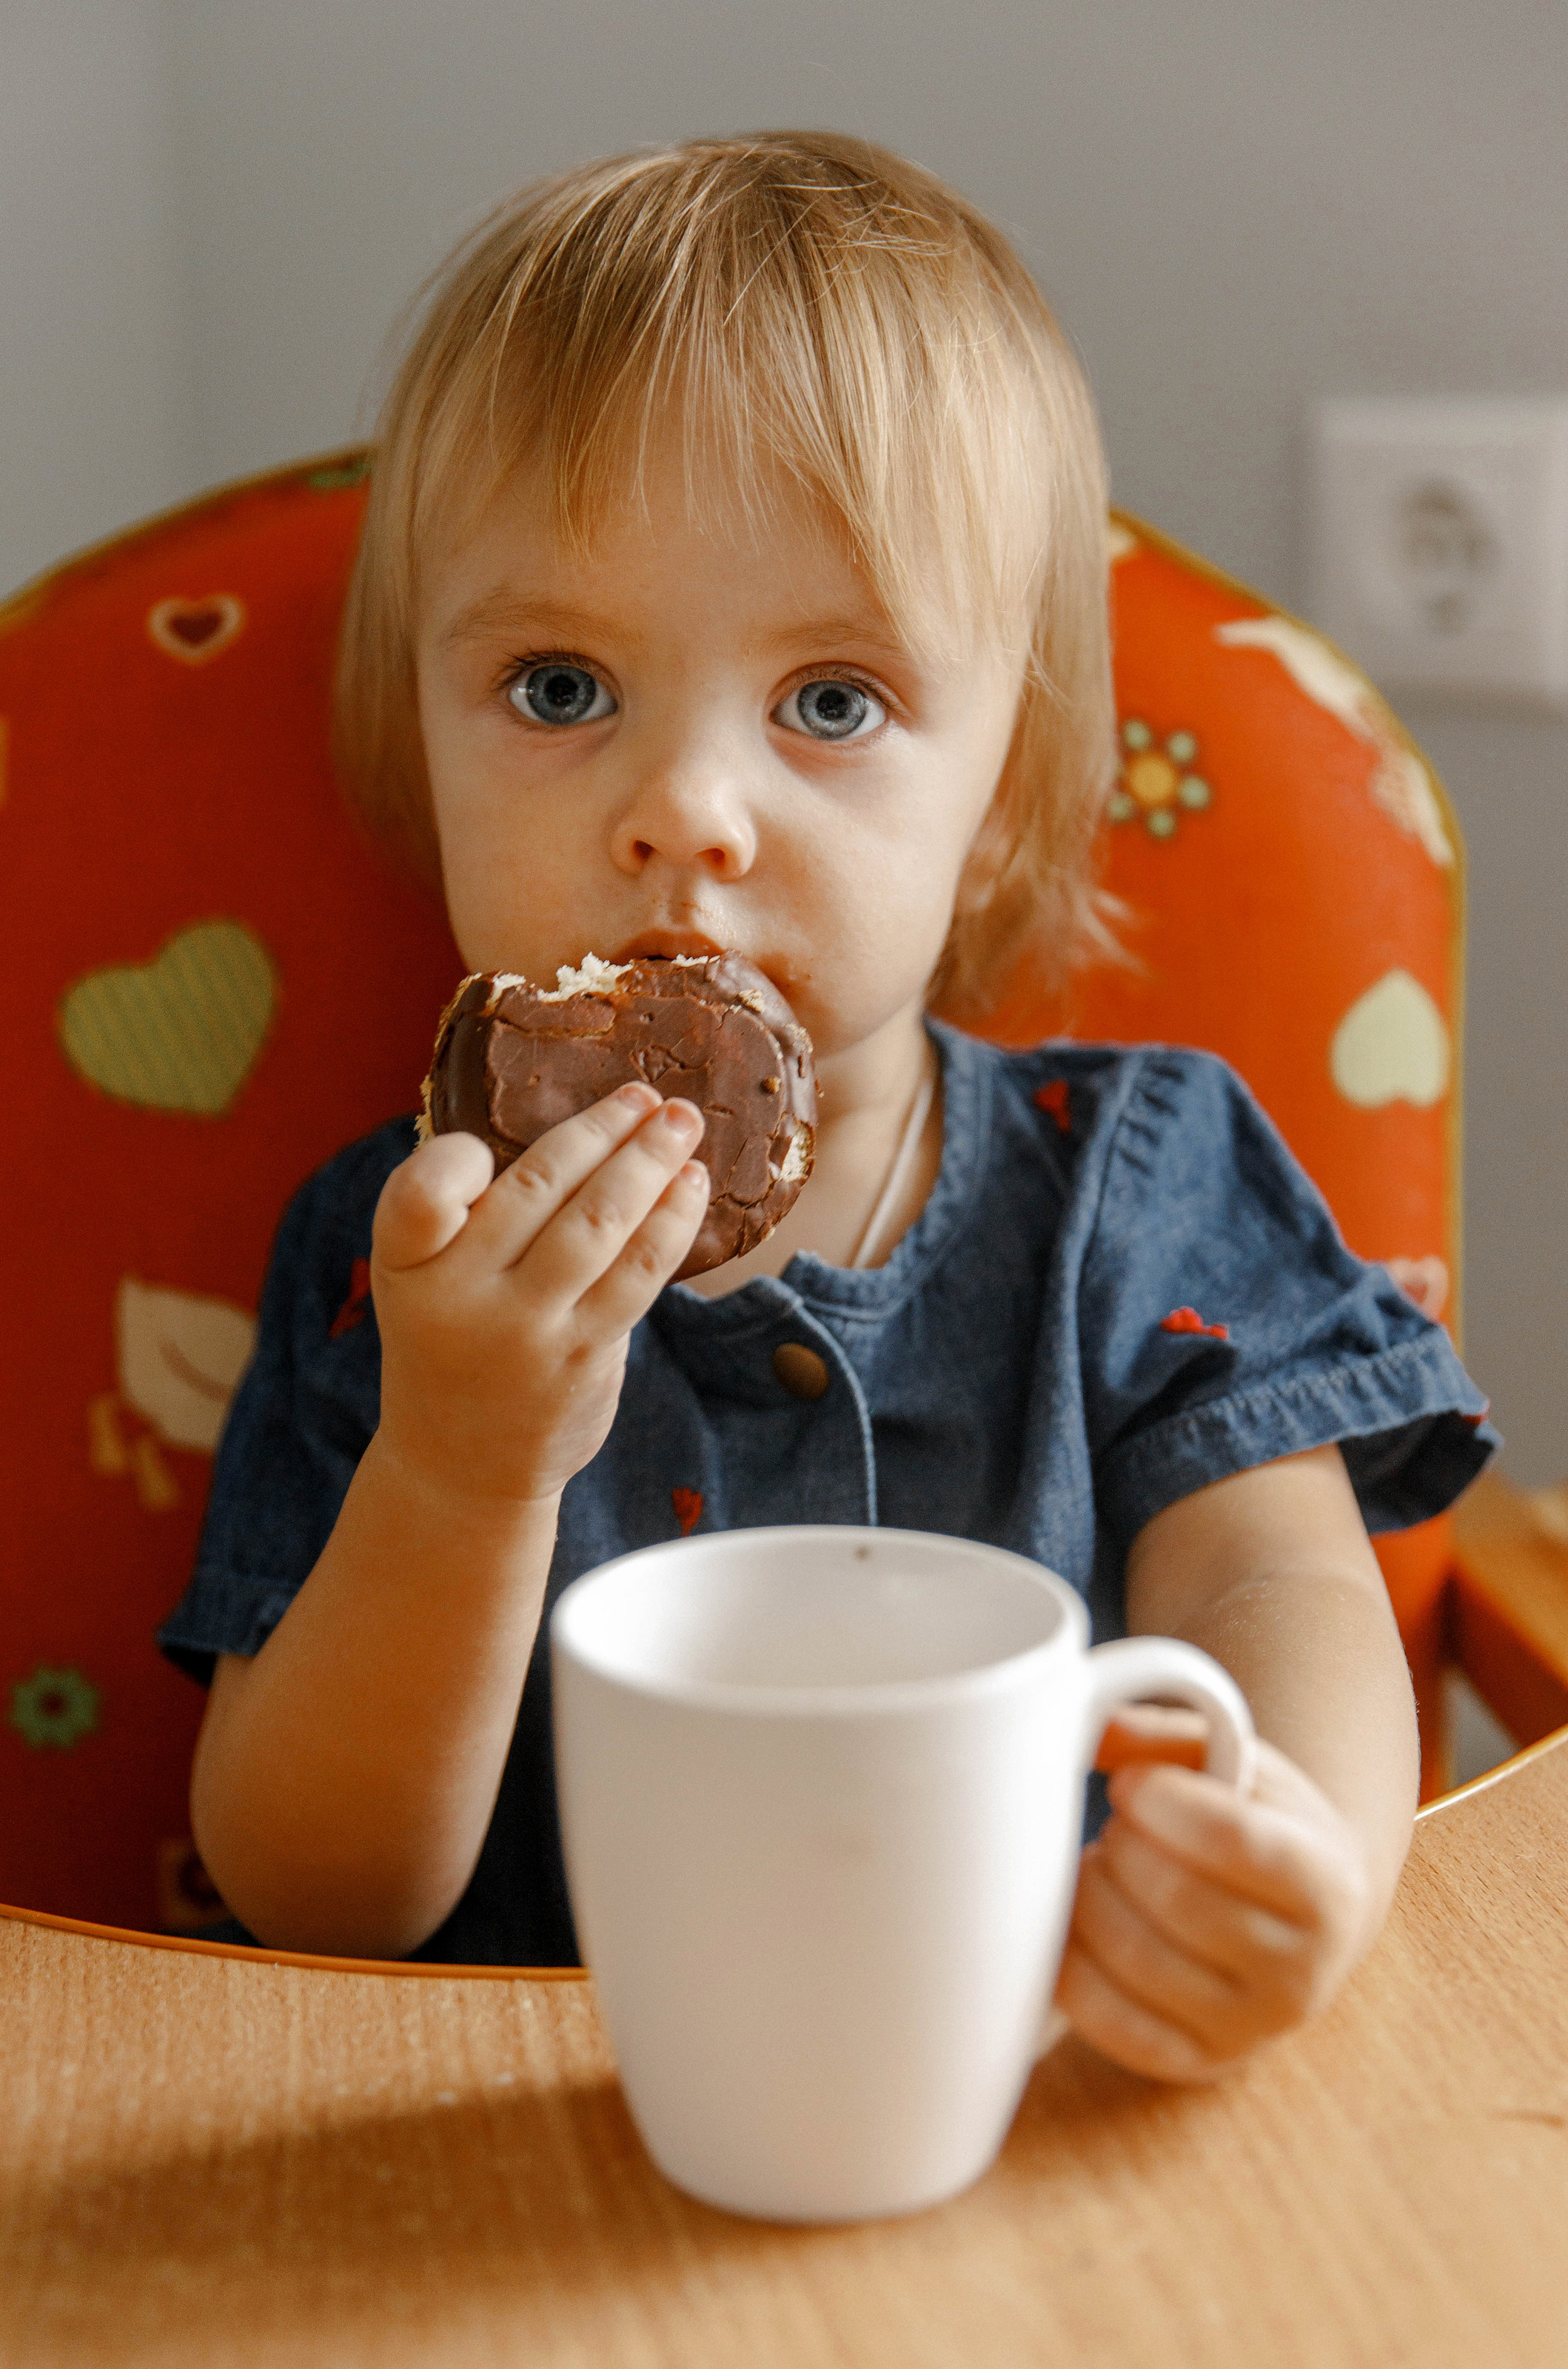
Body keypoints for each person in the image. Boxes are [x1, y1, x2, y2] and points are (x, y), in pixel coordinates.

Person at [158, 133, 1495, 2080]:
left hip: (1035, 2108)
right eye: (556, 688)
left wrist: (1299, 1848)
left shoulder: (1139, 1184)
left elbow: (1274, 1576)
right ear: (416, 745)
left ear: (1007, 796)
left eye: (834, 703)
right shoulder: (403, 1258)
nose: (685, 807)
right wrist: (461, 1468)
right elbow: (313, 1890)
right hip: (502, 2169)